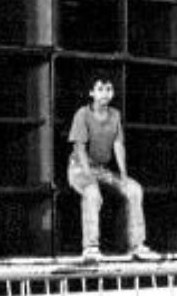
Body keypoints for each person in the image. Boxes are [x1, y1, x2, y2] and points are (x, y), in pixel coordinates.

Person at [67, 72, 158, 261]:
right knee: (92, 193)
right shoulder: (83, 114)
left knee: (134, 189)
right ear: (91, 93)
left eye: (108, 89)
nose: (105, 93)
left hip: (102, 170)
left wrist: (123, 174)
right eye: (100, 89)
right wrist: (87, 175)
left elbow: (118, 144)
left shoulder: (115, 115)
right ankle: (91, 247)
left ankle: (137, 245)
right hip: (79, 168)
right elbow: (79, 147)